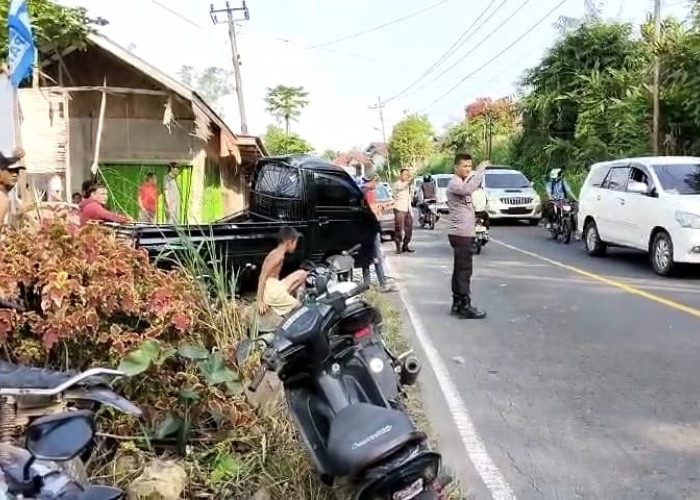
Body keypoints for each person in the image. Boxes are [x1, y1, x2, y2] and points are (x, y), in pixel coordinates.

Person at [446, 153, 487, 320]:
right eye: (465, 166)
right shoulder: (454, 183)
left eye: (470, 166)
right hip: (461, 234)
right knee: (464, 271)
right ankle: (465, 305)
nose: (467, 169)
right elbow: (468, 189)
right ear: (456, 167)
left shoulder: (462, 181)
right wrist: (480, 171)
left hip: (464, 232)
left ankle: (457, 303)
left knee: (459, 270)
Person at [257, 227, 309, 317]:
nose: (296, 246)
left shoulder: (277, 253)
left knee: (302, 274)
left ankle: (287, 297)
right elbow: (262, 276)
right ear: (289, 243)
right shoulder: (278, 257)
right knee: (300, 308)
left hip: (274, 286)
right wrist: (260, 301)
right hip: (272, 291)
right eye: (295, 243)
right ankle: (285, 302)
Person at [360, 175, 396, 293]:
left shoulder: (360, 191)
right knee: (377, 256)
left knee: (366, 257)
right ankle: (383, 284)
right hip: (372, 227)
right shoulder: (370, 193)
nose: (376, 184)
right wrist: (386, 206)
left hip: (363, 227)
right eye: (376, 182)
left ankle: (366, 285)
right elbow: (374, 210)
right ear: (372, 181)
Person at [0, 148, 26, 225]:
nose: (15, 175)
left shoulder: (7, 194)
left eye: (17, 171)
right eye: (10, 171)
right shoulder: (1, 197)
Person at [392, 168, 414, 254]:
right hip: (399, 208)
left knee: (409, 228)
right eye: (404, 174)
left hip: (407, 208)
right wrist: (409, 181)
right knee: (398, 229)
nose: (406, 176)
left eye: (407, 175)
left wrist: (411, 209)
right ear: (400, 175)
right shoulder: (397, 184)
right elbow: (401, 187)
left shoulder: (408, 185)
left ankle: (405, 245)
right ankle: (398, 247)